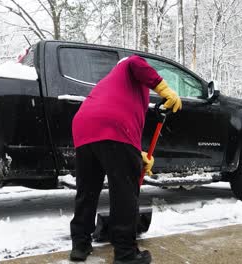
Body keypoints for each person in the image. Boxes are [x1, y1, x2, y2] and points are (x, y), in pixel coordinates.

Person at [70, 55, 182, 264]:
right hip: (113, 127)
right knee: (124, 192)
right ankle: (125, 254)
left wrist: (138, 157)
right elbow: (135, 63)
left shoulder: (111, 84)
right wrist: (164, 89)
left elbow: (121, 135)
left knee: (87, 190)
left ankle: (80, 244)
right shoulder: (130, 65)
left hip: (84, 128)